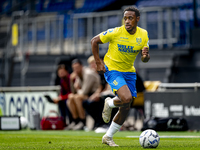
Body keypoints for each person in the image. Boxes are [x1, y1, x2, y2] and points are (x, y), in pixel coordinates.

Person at [91, 6, 150, 146]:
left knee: (126, 106)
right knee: (127, 98)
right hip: (112, 69)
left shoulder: (143, 35)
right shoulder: (116, 32)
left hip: (129, 71)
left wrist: (145, 56)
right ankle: (110, 103)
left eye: (130, 18)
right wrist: (98, 62)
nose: (127, 21)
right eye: (125, 18)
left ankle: (108, 136)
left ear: (137, 19)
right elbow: (94, 41)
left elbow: (145, 59)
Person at [66, 58, 100, 130]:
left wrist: (77, 89)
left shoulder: (88, 74)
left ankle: (82, 122)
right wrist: (71, 80)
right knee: (71, 97)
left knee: (77, 98)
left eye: (77, 67)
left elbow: (84, 91)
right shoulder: (78, 74)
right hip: (86, 94)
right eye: (74, 68)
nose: (76, 69)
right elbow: (74, 92)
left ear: (81, 66)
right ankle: (76, 121)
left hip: (94, 94)